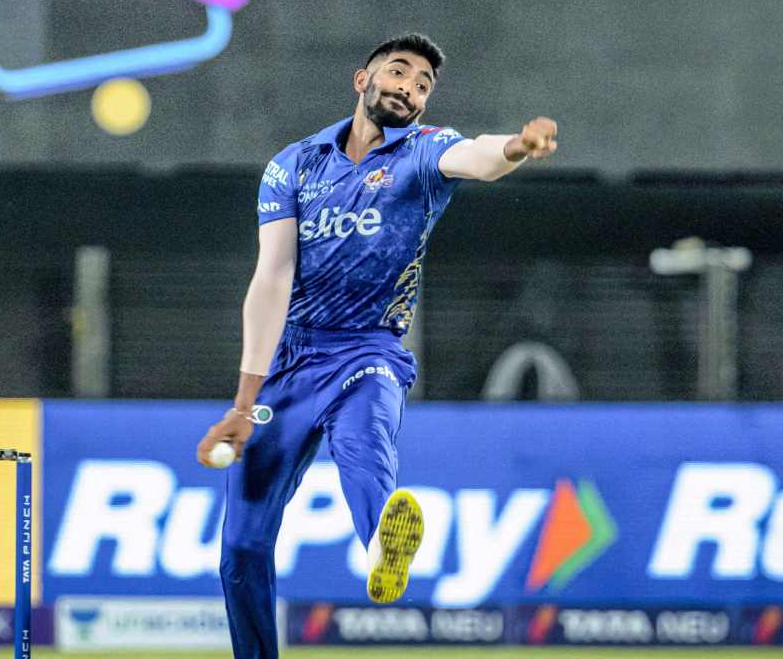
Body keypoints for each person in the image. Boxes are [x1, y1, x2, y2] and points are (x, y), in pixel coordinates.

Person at [196, 32, 558, 658]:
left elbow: (477, 157)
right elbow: (272, 277)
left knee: (365, 440)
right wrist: (242, 401)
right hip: (288, 366)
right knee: (241, 550)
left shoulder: (424, 151)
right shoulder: (295, 164)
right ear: (361, 80)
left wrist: (518, 147)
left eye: (423, 85)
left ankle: (383, 545)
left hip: (369, 352)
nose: (410, 89)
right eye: (399, 73)